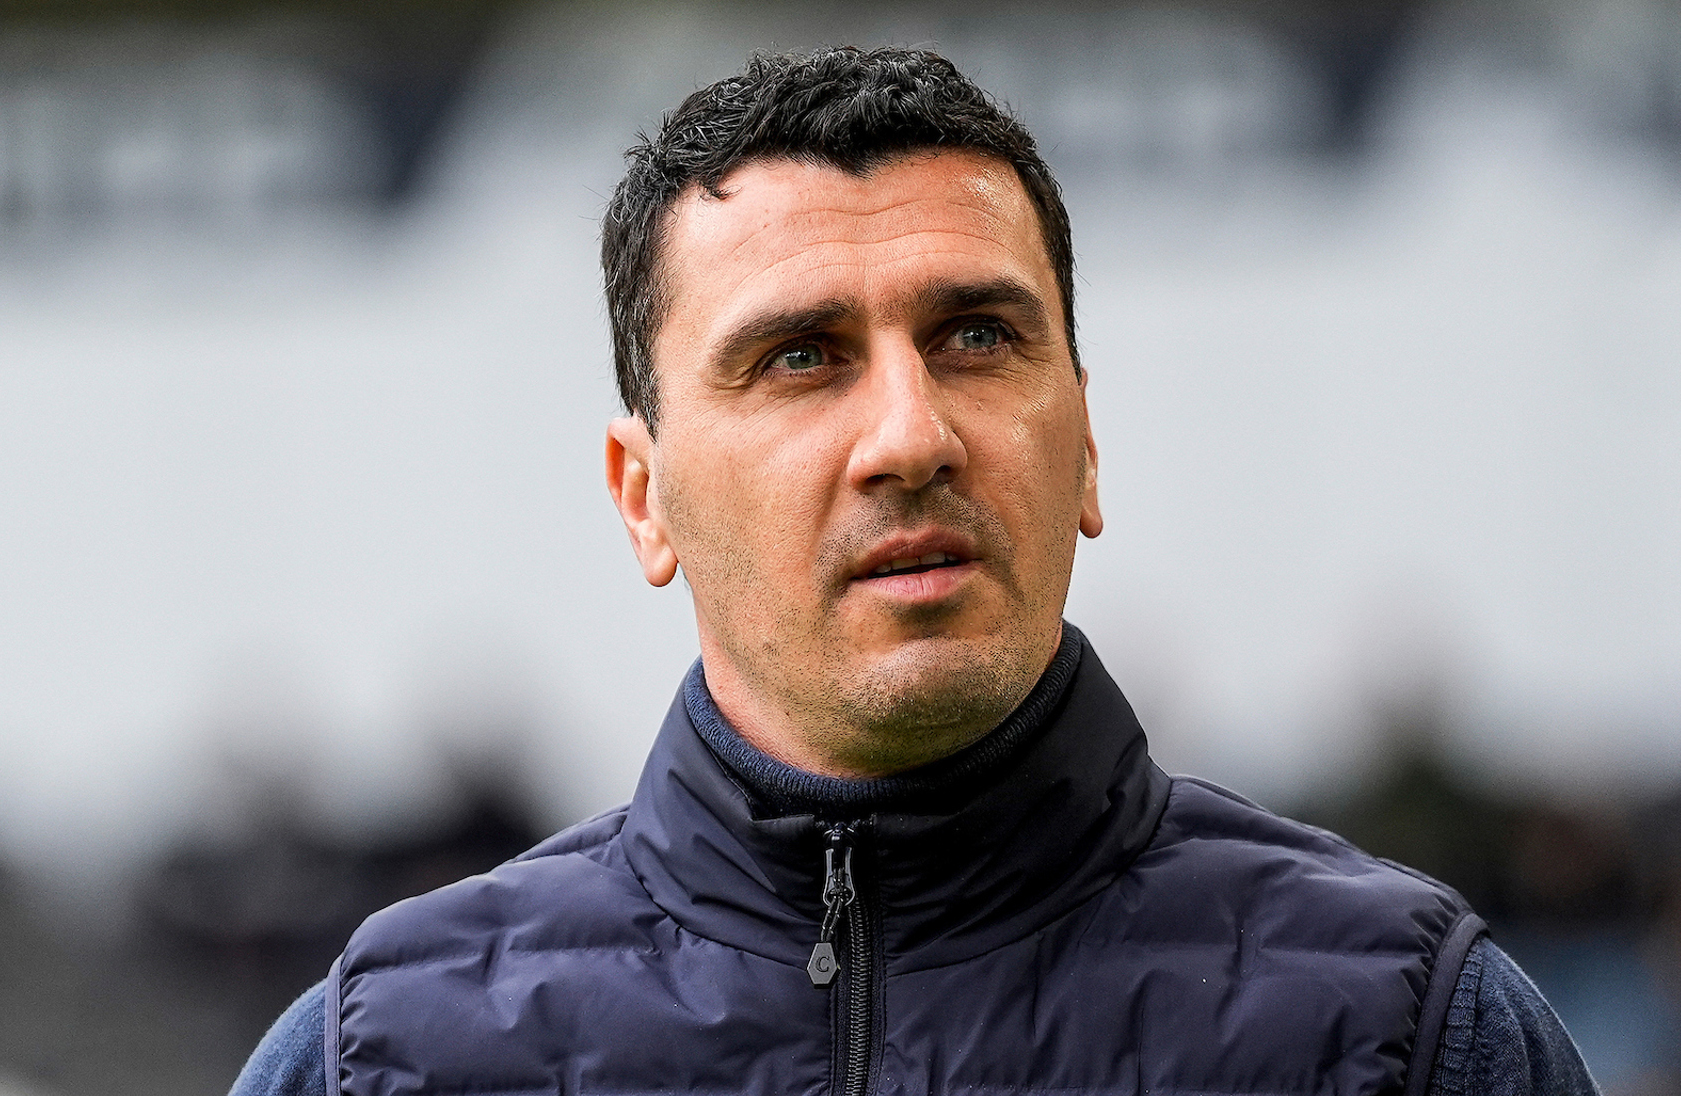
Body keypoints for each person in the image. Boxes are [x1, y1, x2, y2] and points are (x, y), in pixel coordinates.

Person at [229, 45, 1598, 1096]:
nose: (910, 435)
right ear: (645, 498)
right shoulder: (386, 1058)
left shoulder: (1410, 1034)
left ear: (1087, 448)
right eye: (800, 357)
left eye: (977, 338)